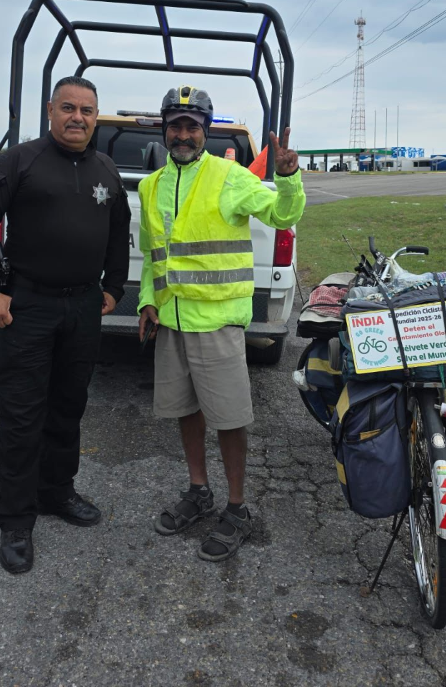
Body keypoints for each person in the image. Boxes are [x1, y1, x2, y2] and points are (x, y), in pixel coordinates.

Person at [0, 75, 130, 575]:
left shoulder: (106, 169)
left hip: (82, 308)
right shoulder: (22, 160)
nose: (77, 117)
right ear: (51, 111)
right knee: (21, 416)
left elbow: (119, 232)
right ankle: (16, 521)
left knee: (67, 407)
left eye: (87, 110)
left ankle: (57, 492)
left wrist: (114, 288)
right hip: (28, 307)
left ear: (96, 117)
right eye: (68, 108)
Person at [137, 85, 305, 562]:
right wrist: (148, 301)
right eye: (176, 125)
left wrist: (288, 175)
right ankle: (198, 491)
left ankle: (236, 507)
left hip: (218, 325)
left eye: (192, 126)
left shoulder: (228, 176)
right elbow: (154, 256)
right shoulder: (151, 186)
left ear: (205, 132)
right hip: (171, 322)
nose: (183, 133)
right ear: (165, 130)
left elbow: (282, 213)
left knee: (229, 419)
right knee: (185, 412)